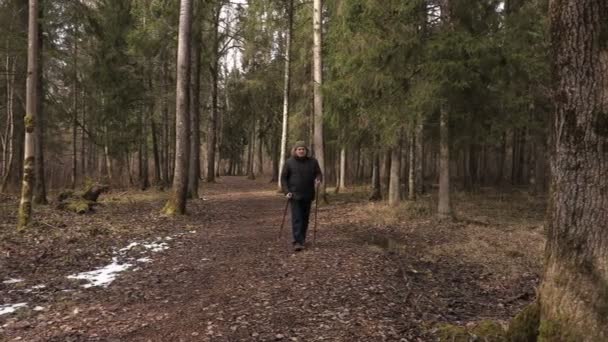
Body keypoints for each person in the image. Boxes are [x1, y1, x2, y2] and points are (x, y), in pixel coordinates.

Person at [281, 141, 323, 251]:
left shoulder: (313, 162)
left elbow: (318, 173)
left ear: (306, 151)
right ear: (295, 151)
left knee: (305, 219)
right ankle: (297, 242)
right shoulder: (289, 162)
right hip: (294, 195)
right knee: (297, 218)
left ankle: (302, 239)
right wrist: (286, 191)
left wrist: (318, 179)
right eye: (299, 149)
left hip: (308, 194)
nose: (301, 151)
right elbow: (284, 178)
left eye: (303, 149)